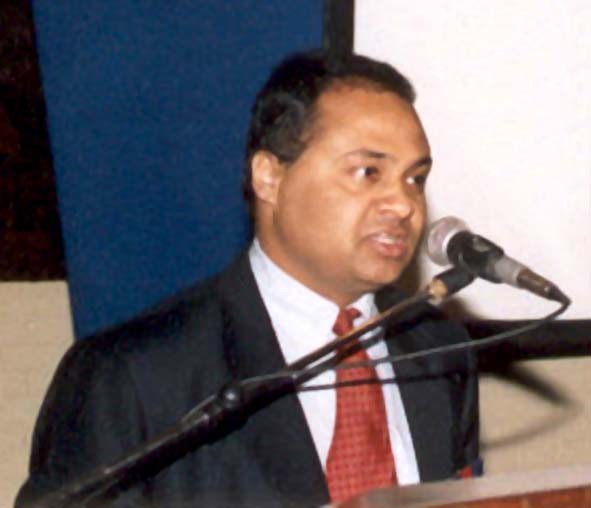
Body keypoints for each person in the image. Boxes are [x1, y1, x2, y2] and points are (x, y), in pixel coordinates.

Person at [16, 50, 480, 508]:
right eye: (368, 172)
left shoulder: (438, 352)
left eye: (415, 179)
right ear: (269, 177)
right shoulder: (130, 376)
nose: (403, 204)